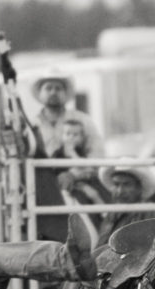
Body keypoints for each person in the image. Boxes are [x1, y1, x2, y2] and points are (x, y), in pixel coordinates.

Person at [29, 67, 105, 243]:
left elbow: (97, 155)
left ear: (66, 93)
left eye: (58, 88)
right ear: (40, 93)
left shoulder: (83, 121)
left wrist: (73, 174)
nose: (53, 93)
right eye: (48, 88)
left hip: (78, 187)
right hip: (41, 190)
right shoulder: (32, 125)